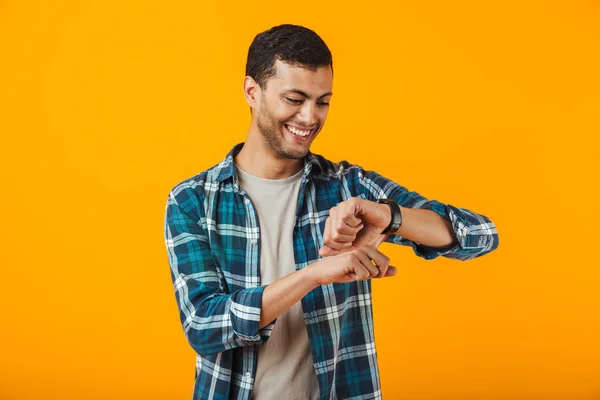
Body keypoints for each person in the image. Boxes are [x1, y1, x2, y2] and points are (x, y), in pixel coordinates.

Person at [163, 24, 499, 400]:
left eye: (322, 102)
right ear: (252, 92)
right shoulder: (193, 200)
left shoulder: (347, 186)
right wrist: (314, 274)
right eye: (295, 99)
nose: (309, 118)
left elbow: (480, 235)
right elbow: (204, 325)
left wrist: (389, 216)